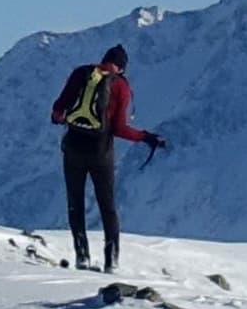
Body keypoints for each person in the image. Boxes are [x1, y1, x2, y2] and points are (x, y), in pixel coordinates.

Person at [47, 43, 164, 271]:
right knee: (107, 206)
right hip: (101, 153)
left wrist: (63, 120)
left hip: (73, 148)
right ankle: (111, 261)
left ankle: (82, 256)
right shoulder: (120, 86)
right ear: (121, 68)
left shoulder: (81, 73)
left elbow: (58, 109)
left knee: (75, 203)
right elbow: (119, 128)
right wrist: (146, 137)